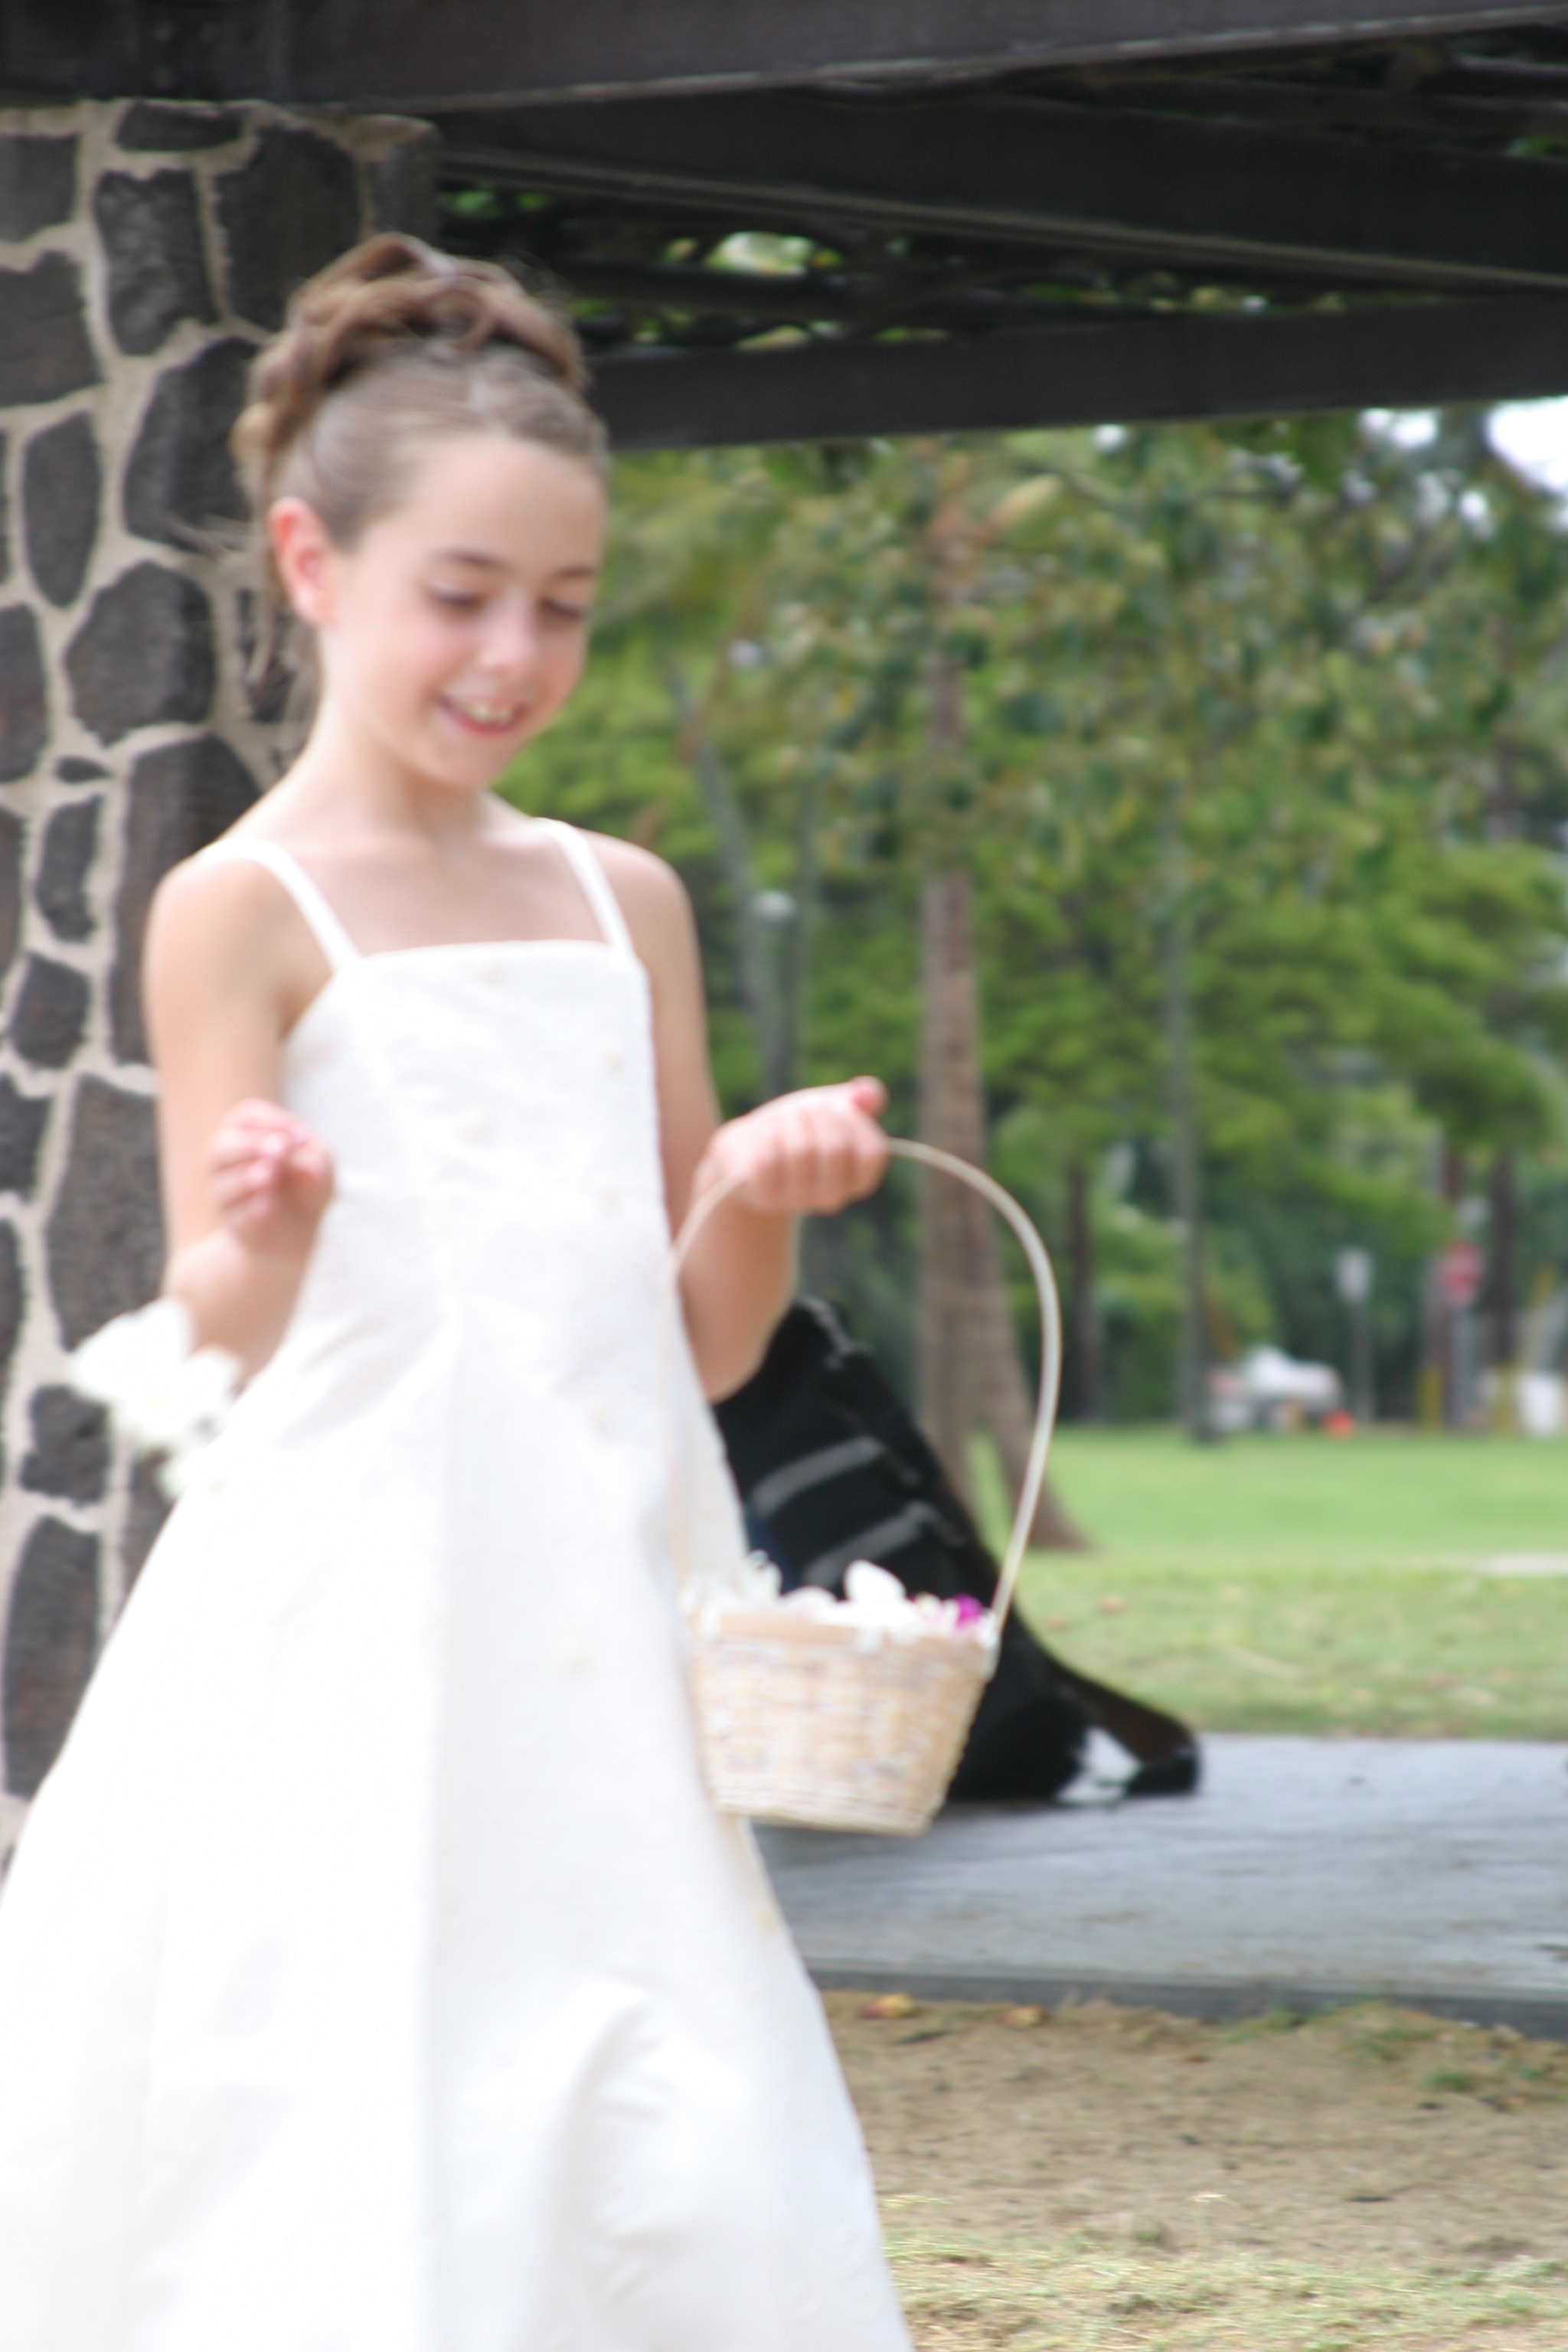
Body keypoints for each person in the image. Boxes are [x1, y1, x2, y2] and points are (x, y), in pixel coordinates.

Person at [0, 234, 910, 2351]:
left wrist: (761, 1190)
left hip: (606, 1600)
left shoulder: (622, 900)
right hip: (356, 1616)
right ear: (314, 564)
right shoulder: (239, 909)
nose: (515, 655)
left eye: (563, 607)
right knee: (358, 2092)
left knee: (659, 2107)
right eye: (464, 594)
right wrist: (259, 1241)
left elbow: (706, 1335)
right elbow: (206, 1345)